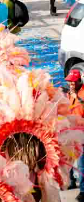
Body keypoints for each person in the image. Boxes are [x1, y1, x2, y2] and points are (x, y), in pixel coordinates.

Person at [65, 69, 84, 199]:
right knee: (69, 158)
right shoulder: (69, 94)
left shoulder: (82, 93)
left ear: (79, 81)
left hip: (82, 132)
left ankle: (83, 190)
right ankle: (71, 181)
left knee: (82, 162)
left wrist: (77, 97)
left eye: (73, 81)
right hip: (72, 131)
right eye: (69, 81)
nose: (71, 83)